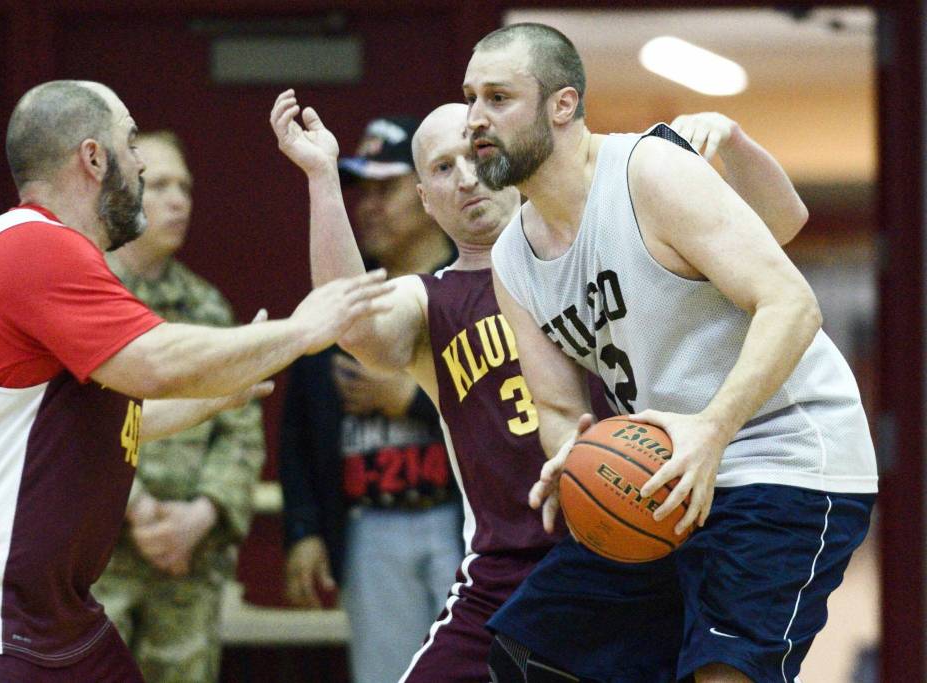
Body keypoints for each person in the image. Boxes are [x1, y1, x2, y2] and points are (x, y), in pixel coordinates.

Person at [270, 86, 810, 681]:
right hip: (509, 569)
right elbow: (352, 323)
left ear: (514, 157)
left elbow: (778, 232)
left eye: (476, 156)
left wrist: (731, 142)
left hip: (639, 551)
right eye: (443, 169)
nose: (467, 178)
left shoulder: (610, 243)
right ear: (426, 199)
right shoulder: (433, 300)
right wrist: (322, 176)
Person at [0, 79, 390, 683]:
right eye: (131, 144)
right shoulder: (34, 247)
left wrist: (219, 392)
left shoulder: (47, 252)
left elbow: (113, 419)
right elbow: (155, 363)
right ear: (93, 158)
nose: (139, 163)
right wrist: (303, 328)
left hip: (58, 624)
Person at [463, 23, 877, 683]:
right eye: (470, 99)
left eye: (497, 98)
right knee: (536, 650)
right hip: (665, 470)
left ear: (562, 105)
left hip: (785, 456)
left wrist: (712, 431)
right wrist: (570, 453)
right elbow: (558, 404)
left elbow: (792, 304)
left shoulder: (648, 173)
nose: (475, 119)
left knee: (723, 671)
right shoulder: (514, 254)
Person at [278, 114, 464, 683]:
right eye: (361, 190)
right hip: (370, 523)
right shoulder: (342, 290)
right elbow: (298, 428)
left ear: (424, 191)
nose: (368, 205)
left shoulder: (474, 282)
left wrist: (410, 400)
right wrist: (304, 529)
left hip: (464, 522)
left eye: (385, 189)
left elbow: (515, 410)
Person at [90, 130, 266, 683]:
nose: (178, 200)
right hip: (98, 555)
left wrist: (203, 514)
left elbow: (240, 428)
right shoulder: (87, 292)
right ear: (120, 193)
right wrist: (138, 510)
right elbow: (71, 422)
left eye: (185, 187)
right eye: (159, 184)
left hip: (187, 562)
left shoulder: (207, 307)